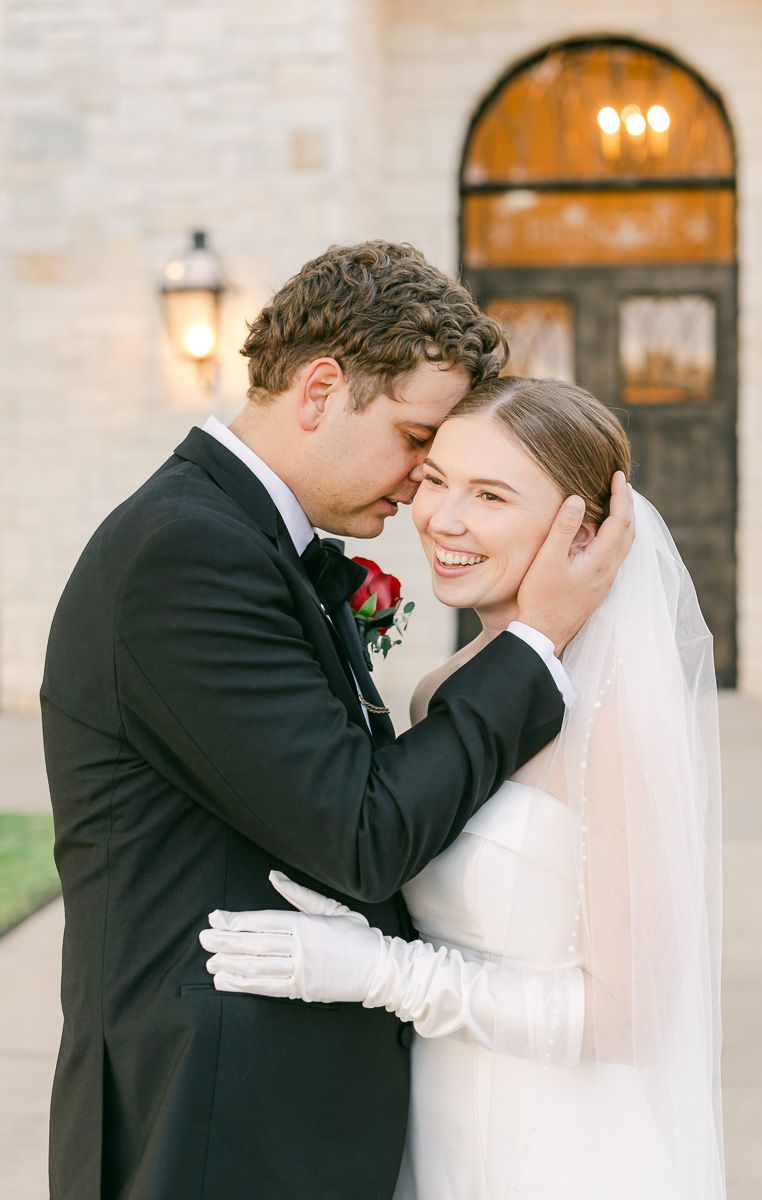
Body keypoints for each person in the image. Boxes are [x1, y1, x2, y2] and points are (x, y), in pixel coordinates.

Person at [40, 245, 634, 1200]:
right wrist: (536, 645)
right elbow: (359, 833)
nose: (419, 487)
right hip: (210, 1124)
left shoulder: (243, 539)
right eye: (414, 440)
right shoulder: (185, 552)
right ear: (320, 389)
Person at [204, 377, 725, 1198]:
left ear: (580, 528)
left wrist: (381, 971)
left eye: (489, 495)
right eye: (438, 479)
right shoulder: (444, 688)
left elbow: (631, 1016)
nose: (442, 518)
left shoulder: (617, 720)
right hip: (434, 1127)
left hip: (559, 1145)